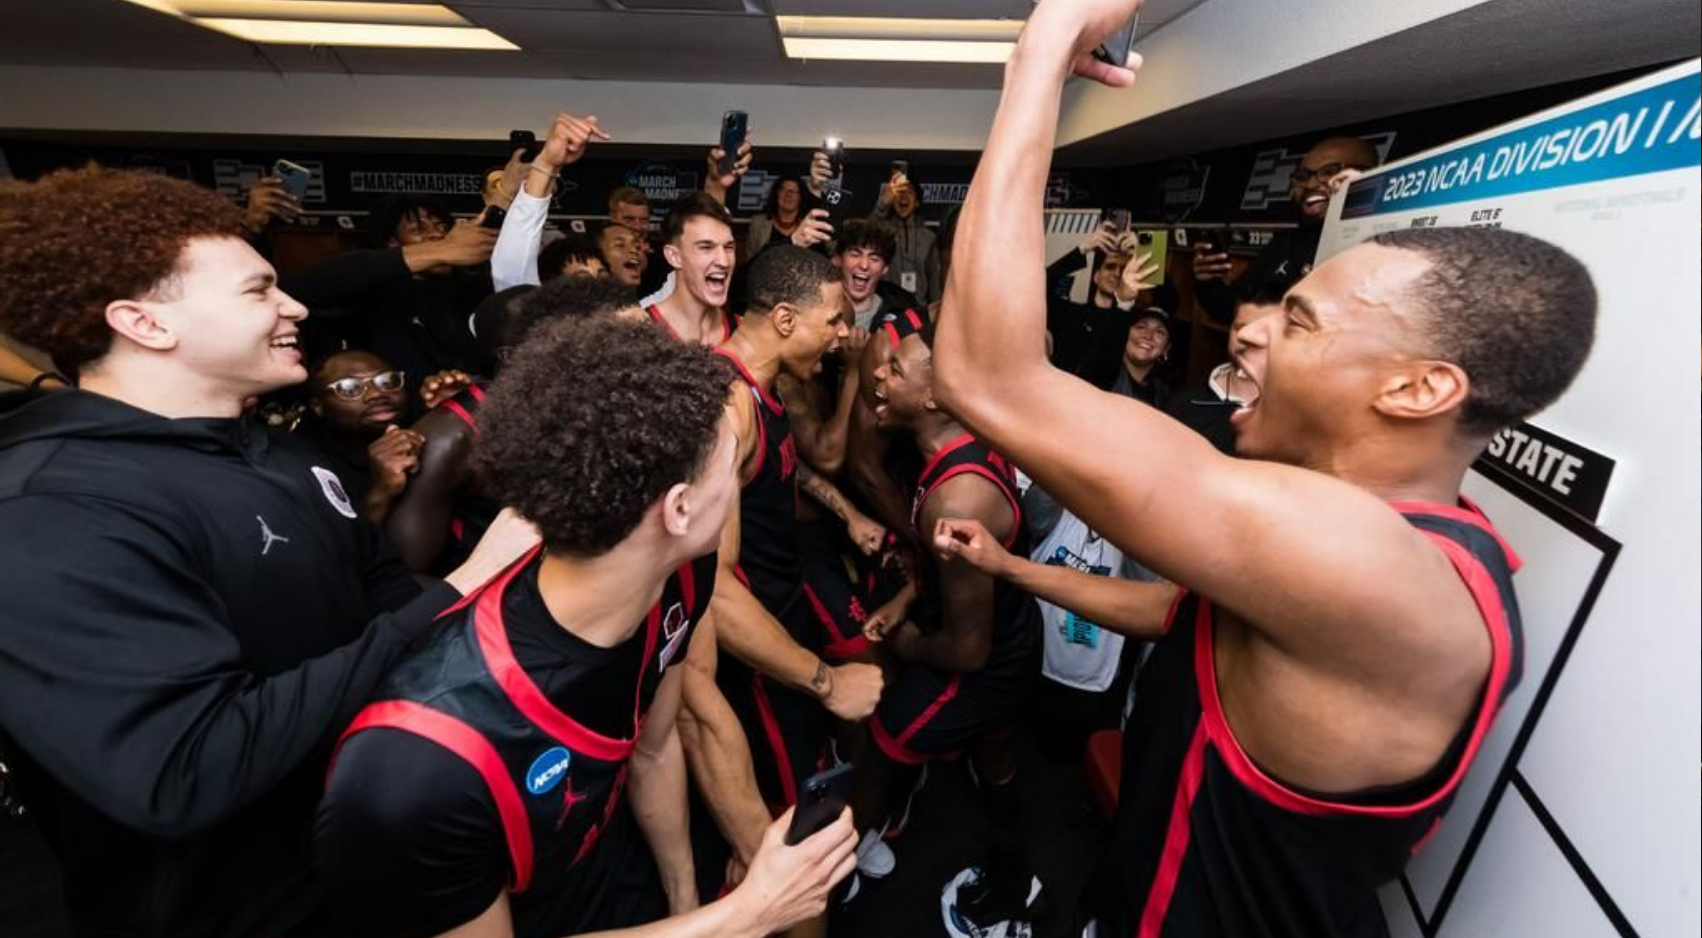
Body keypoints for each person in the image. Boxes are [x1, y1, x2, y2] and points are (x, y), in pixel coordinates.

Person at [931, 5, 1596, 937]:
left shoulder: (1362, 560)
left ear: (1418, 389)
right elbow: (1184, 615)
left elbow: (985, 373)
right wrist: (1012, 570)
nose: (1249, 328)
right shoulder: (1378, 535)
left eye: (1302, 320)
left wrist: (1039, 58)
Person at [0, 165, 536, 938]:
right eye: (259, 291)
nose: (294, 306)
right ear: (145, 323)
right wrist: (460, 590)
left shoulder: (275, 451)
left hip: (367, 869)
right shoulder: (51, 507)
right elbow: (185, 770)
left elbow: (381, 588)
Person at [315, 316, 859, 938]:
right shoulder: (417, 765)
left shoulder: (678, 579)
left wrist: (684, 901)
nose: (740, 487)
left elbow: (652, 747)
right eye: (732, 470)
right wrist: (747, 913)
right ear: (679, 509)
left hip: (616, 882)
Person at [676, 246, 883, 881]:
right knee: (795, 848)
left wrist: (846, 511)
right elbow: (716, 590)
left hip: (784, 623)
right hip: (755, 665)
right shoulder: (724, 410)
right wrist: (826, 680)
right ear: (787, 320)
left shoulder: (766, 393)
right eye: (834, 320)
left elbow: (777, 487)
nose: (843, 336)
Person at [860, 325, 1046, 933]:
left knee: (886, 734)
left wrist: (909, 642)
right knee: (993, 751)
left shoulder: (958, 498)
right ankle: (1013, 870)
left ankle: (839, 857)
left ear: (937, 398)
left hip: (988, 657)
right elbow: (956, 568)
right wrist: (909, 599)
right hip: (1008, 630)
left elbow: (967, 651)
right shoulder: (957, 447)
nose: (879, 378)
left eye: (894, 370)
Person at [387, 275, 634, 574]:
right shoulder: (453, 433)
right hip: (491, 603)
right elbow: (405, 571)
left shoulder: (583, 406)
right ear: (511, 356)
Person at [1191, 135, 1381, 323]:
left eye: (1329, 172)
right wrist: (1207, 282)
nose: (1310, 184)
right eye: (1302, 176)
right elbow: (1230, 311)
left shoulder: (1388, 244)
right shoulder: (1285, 243)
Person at [295, 349, 424, 525]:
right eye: (349, 388)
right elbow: (342, 547)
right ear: (318, 406)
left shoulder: (422, 424)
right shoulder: (310, 469)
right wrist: (381, 491)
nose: (376, 394)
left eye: (387, 381)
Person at [1164, 277, 1288, 454]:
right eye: (1241, 327)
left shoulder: (1298, 416)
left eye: (1263, 332)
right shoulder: (1184, 403)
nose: (1248, 338)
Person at [645, 193, 739, 346]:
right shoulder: (640, 333)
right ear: (674, 257)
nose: (724, 261)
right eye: (706, 247)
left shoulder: (743, 334)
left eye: (728, 247)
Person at [870, 166, 941, 305]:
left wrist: (936, 313)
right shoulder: (882, 231)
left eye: (909, 192)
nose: (903, 196)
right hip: (887, 309)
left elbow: (935, 282)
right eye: (899, 192)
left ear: (917, 203)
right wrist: (883, 203)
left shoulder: (930, 238)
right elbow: (865, 233)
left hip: (919, 310)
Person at [747, 177, 811, 256]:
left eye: (793, 191)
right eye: (784, 190)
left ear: (801, 197)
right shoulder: (758, 223)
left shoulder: (810, 224)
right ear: (776, 194)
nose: (788, 195)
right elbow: (750, 259)